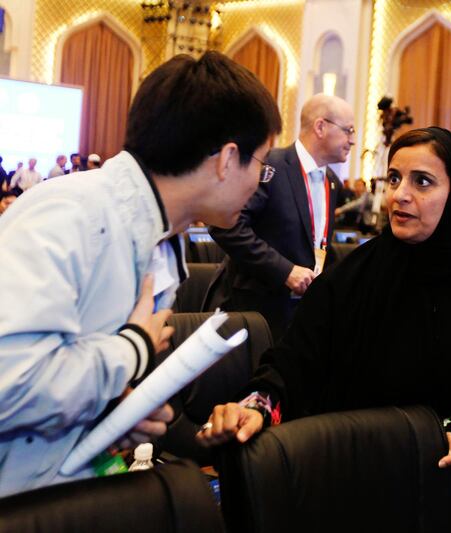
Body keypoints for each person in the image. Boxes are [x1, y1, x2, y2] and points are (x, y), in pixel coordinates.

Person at [197, 127, 451, 531]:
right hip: (363, 491)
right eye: (395, 178)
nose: (399, 194)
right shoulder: (357, 275)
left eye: (423, 182)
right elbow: (295, 361)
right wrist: (259, 404)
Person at [0, 51, 282, 497]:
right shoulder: (71, 214)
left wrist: (113, 415)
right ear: (228, 159)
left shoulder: (159, 235)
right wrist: (132, 349)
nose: (260, 182)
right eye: (261, 164)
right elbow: (9, 382)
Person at [208, 94, 353, 340]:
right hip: (255, 313)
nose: (352, 141)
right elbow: (225, 226)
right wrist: (285, 271)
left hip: (301, 314)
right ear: (320, 127)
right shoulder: (269, 165)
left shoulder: (331, 182)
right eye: (348, 131)